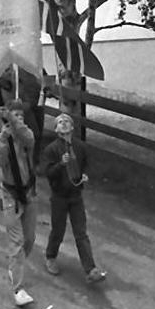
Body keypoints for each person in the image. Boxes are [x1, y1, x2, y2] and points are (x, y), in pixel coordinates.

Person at [41, 114, 107, 284]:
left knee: (81, 233)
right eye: (59, 122)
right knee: (58, 230)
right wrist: (60, 165)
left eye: (66, 121)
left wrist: (85, 175)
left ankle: (90, 269)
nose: (63, 124)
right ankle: (51, 256)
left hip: (76, 195)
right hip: (59, 197)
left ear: (72, 127)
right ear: (56, 129)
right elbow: (48, 173)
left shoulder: (80, 147)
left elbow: (86, 164)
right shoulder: (51, 150)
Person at [0, 99, 39, 307]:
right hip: (10, 194)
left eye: (21, 116)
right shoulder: (0, 137)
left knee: (29, 239)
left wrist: (14, 120)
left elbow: (29, 139)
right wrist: (4, 137)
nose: (19, 120)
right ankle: (18, 289)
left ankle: (15, 266)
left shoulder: (27, 135)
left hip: (29, 192)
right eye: (14, 115)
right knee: (17, 242)